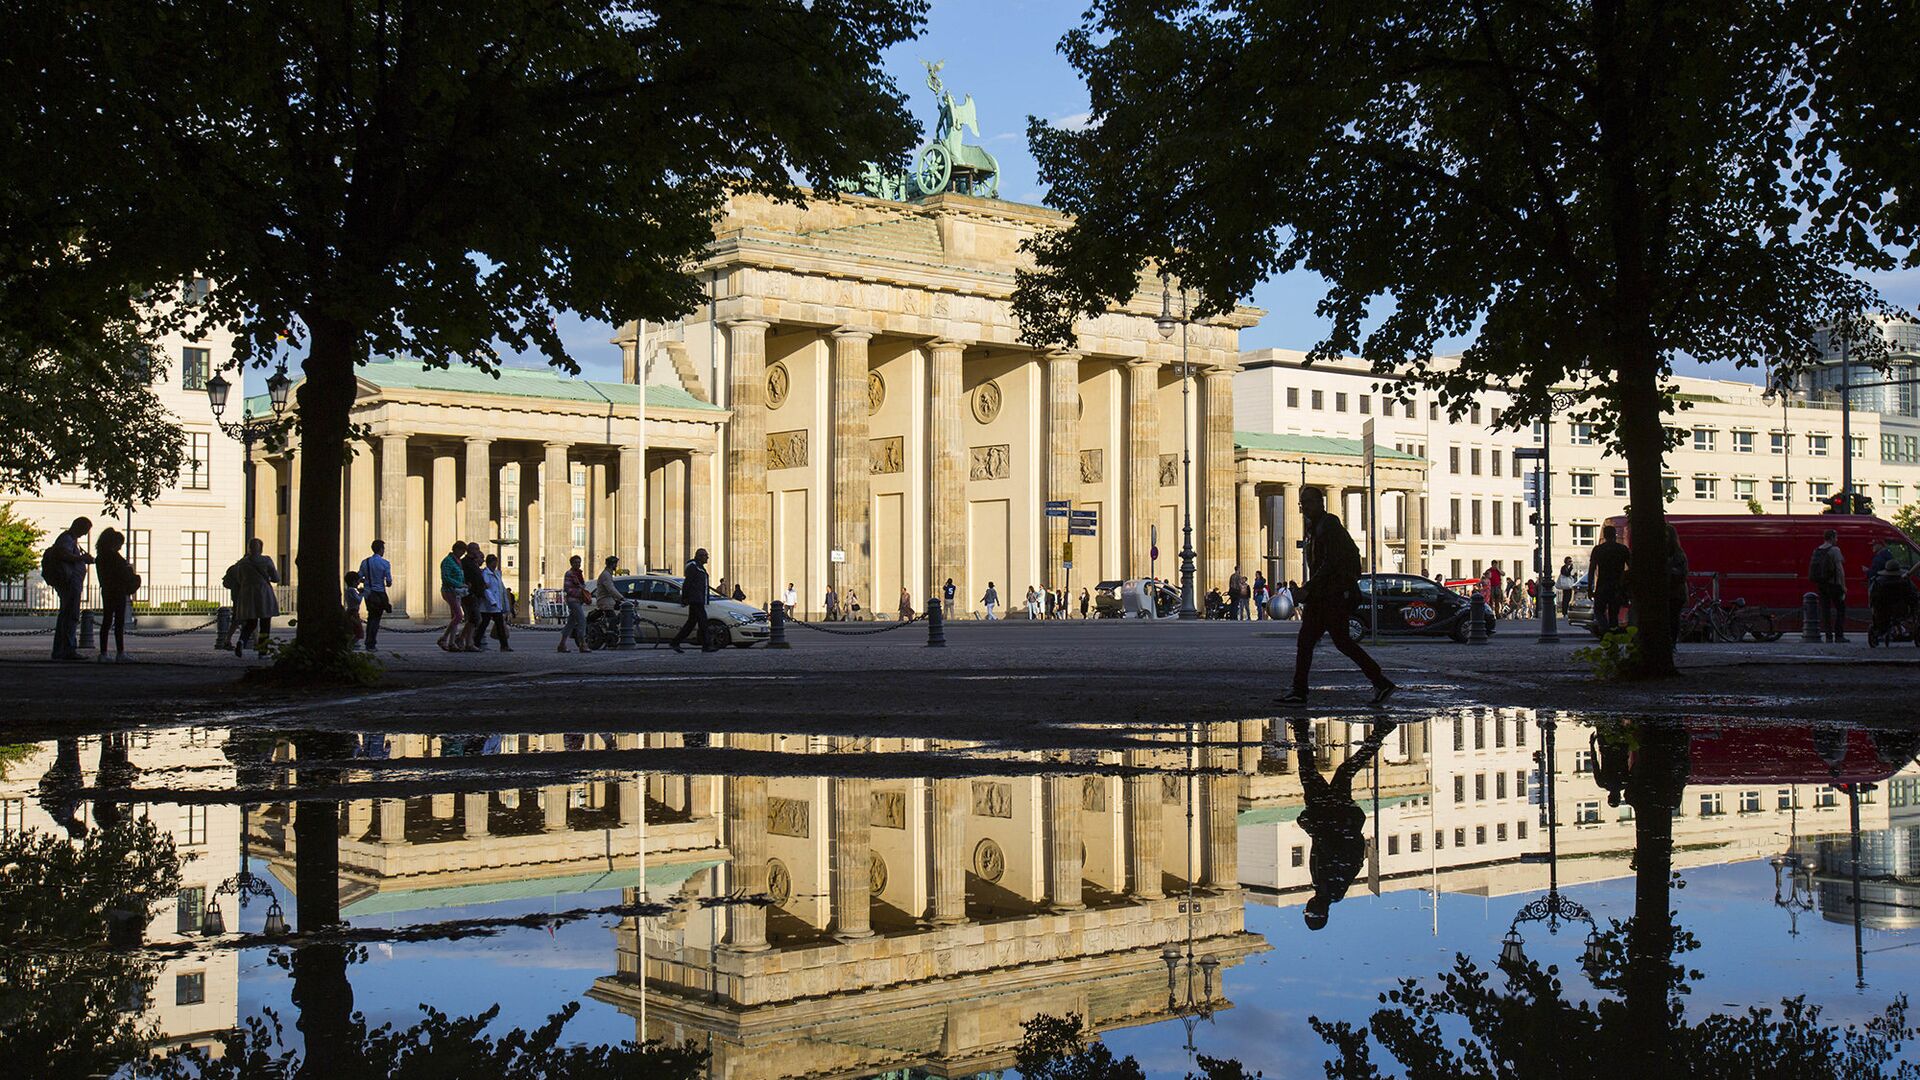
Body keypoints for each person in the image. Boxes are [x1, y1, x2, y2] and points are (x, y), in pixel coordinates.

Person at [1278, 486, 1394, 706]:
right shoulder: (1315, 527)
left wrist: (1309, 587)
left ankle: (1380, 682)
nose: (1304, 508)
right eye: (1302, 503)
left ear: (1320, 502)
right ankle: (1300, 690)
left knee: (1331, 642)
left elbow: (1330, 562)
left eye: (1308, 502)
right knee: (1319, 641)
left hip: (1330, 596)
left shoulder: (1329, 524)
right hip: (1323, 595)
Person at [1290, 718, 1395, 929]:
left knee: (1330, 771)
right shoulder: (1331, 886)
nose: (1307, 905)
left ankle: (1379, 733)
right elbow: (1333, 847)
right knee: (1317, 771)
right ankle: (1301, 728)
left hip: (1330, 814)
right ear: (1318, 911)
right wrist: (1312, 826)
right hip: (1331, 814)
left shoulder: (1326, 888)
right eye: (1308, 910)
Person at [41, 516, 94, 660]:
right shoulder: (66, 539)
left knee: (67, 615)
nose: (84, 534)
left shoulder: (69, 539)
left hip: (70, 582)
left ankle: (63, 649)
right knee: (70, 615)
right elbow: (63, 554)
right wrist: (82, 559)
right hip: (69, 583)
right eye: (85, 530)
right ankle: (67, 650)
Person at [225, 538, 280, 656]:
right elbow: (276, 578)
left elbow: (239, 580)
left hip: (248, 595)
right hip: (263, 593)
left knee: (251, 623)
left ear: (249, 548)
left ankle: (241, 641)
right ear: (261, 548)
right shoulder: (266, 560)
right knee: (265, 623)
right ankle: (262, 651)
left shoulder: (242, 563)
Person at [93, 527, 138, 662]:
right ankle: (120, 652)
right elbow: (123, 572)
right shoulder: (114, 557)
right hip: (118, 590)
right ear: (114, 542)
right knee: (118, 622)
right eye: (120, 544)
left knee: (107, 621)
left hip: (107, 589)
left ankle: (104, 653)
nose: (120, 547)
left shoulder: (100, 556)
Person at [670, 548, 716, 653]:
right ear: (699, 556)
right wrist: (685, 598)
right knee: (703, 622)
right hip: (695, 599)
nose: (707, 557)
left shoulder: (700, 568)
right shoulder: (693, 567)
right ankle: (706, 645)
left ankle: (675, 642)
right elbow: (687, 583)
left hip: (699, 598)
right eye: (705, 555)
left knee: (691, 623)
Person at [1588, 525, 1631, 632]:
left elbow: (1592, 569)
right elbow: (1632, 567)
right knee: (1614, 613)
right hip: (1617, 586)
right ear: (1615, 535)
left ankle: (1605, 629)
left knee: (1598, 611)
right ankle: (1612, 633)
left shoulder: (1598, 550)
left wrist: (1590, 587)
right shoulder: (1622, 549)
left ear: (1605, 536)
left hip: (1602, 585)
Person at [1809, 528, 1848, 643]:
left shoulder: (1817, 550)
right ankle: (1839, 635)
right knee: (1841, 609)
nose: (1837, 539)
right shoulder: (1834, 550)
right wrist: (1843, 585)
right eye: (1836, 537)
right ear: (1831, 538)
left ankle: (1828, 636)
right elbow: (1840, 569)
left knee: (1825, 610)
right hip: (1834, 584)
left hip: (1821, 584)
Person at [357, 539, 393, 651]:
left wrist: (366, 580)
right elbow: (389, 582)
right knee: (376, 619)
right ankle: (371, 642)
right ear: (381, 549)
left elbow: (359, 577)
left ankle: (369, 642)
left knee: (371, 617)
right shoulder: (385, 563)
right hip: (380, 593)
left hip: (368, 593)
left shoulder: (365, 562)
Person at [437, 540, 468, 651]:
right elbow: (446, 577)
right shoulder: (447, 561)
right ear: (456, 549)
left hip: (457, 592)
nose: (463, 554)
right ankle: (444, 638)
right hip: (449, 590)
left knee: (455, 617)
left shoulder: (457, 561)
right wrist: (460, 584)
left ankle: (451, 643)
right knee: (459, 616)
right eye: (462, 551)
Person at [478, 554, 512, 650]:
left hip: (496, 605)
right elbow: (487, 589)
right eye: (493, 563)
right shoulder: (485, 574)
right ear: (488, 563)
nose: (494, 565)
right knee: (484, 625)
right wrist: (492, 601)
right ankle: (477, 642)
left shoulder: (497, 573)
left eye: (495, 563)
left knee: (499, 625)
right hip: (489, 604)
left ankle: (504, 645)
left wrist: (506, 606)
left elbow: (501, 590)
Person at [458, 542, 487, 650]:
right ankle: (467, 641)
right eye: (477, 549)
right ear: (471, 550)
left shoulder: (472, 562)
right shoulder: (466, 562)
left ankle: (463, 639)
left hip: (476, 594)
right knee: (475, 619)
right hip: (470, 594)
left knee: (473, 619)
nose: (478, 552)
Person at [559, 554, 590, 653]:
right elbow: (567, 589)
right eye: (575, 562)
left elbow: (582, 585)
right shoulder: (569, 574)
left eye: (579, 562)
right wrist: (580, 593)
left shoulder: (579, 574)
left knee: (571, 623)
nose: (578, 564)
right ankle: (583, 644)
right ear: (571, 563)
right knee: (582, 621)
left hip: (578, 601)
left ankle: (562, 644)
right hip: (573, 601)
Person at [1666, 524, 1691, 638]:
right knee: (1673, 618)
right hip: (1676, 593)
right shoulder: (1679, 554)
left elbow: (1681, 574)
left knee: (1672, 618)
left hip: (1673, 592)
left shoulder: (1676, 555)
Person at [343, 570, 365, 644]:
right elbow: (358, 600)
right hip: (353, 612)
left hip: (351, 611)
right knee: (358, 631)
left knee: (354, 630)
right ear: (353, 582)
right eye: (357, 581)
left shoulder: (349, 590)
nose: (358, 583)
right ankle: (352, 644)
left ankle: (352, 643)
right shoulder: (352, 591)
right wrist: (361, 594)